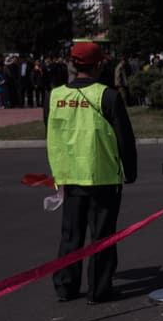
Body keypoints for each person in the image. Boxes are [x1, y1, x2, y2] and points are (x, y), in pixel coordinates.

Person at [44, 41, 138, 303]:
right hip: (102, 175)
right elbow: (124, 139)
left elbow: (50, 130)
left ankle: (65, 286)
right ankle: (98, 289)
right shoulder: (107, 96)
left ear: (73, 63)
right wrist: (130, 171)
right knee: (102, 235)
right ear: (97, 65)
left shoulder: (54, 96)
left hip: (69, 175)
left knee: (71, 235)